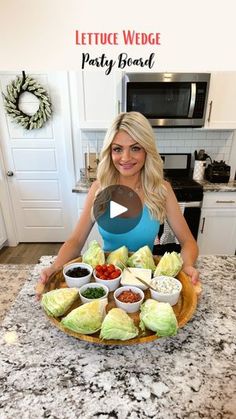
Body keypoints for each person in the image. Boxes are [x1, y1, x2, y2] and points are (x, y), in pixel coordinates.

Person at [37, 111, 201, 296]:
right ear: (110, 151)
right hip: (107, 280)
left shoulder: (161, 190)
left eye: (135, 148)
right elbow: (76, 241)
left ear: (147, 150)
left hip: (145, 282)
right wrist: (54, 267)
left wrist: (187, 266)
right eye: (117, 149)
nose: (125, 157)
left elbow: (188, 242)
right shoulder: (99, 189)